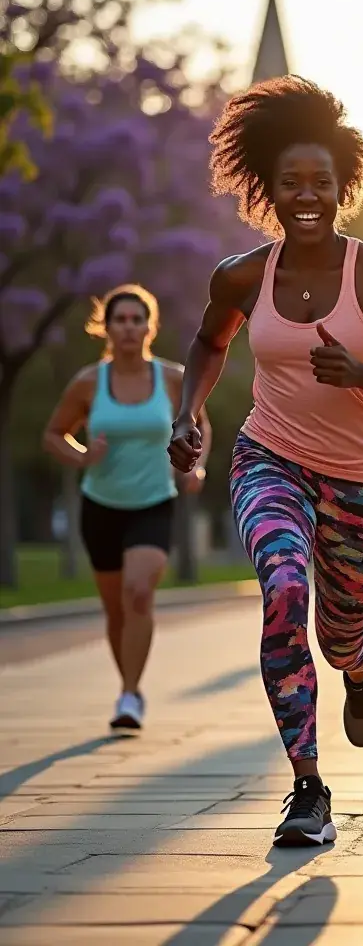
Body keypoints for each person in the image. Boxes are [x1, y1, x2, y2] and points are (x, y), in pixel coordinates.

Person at [167, 76, 363, 847]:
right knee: (284, 592)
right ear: (268, 187)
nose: (306, 197)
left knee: (335, 636)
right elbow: (208, 342)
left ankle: (360, 660)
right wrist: (189, 410)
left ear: (344, 187)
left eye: (321, 184)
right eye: (291, 183)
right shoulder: (241, 276)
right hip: (272, 460)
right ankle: (307, 788)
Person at [42, 285, 210, 731]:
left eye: (138, 319)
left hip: (154, 503)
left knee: (139, 593)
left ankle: (130, 695)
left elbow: (200, 423)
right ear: (107, 327)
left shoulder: (173, 378)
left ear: (150, 327)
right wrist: (81, 456)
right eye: (121, 319)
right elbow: (54, 433)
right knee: (116, 609)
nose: (130, 327)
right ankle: (128, 683)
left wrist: (194, 467)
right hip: (101, 506)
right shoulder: (87, 383)